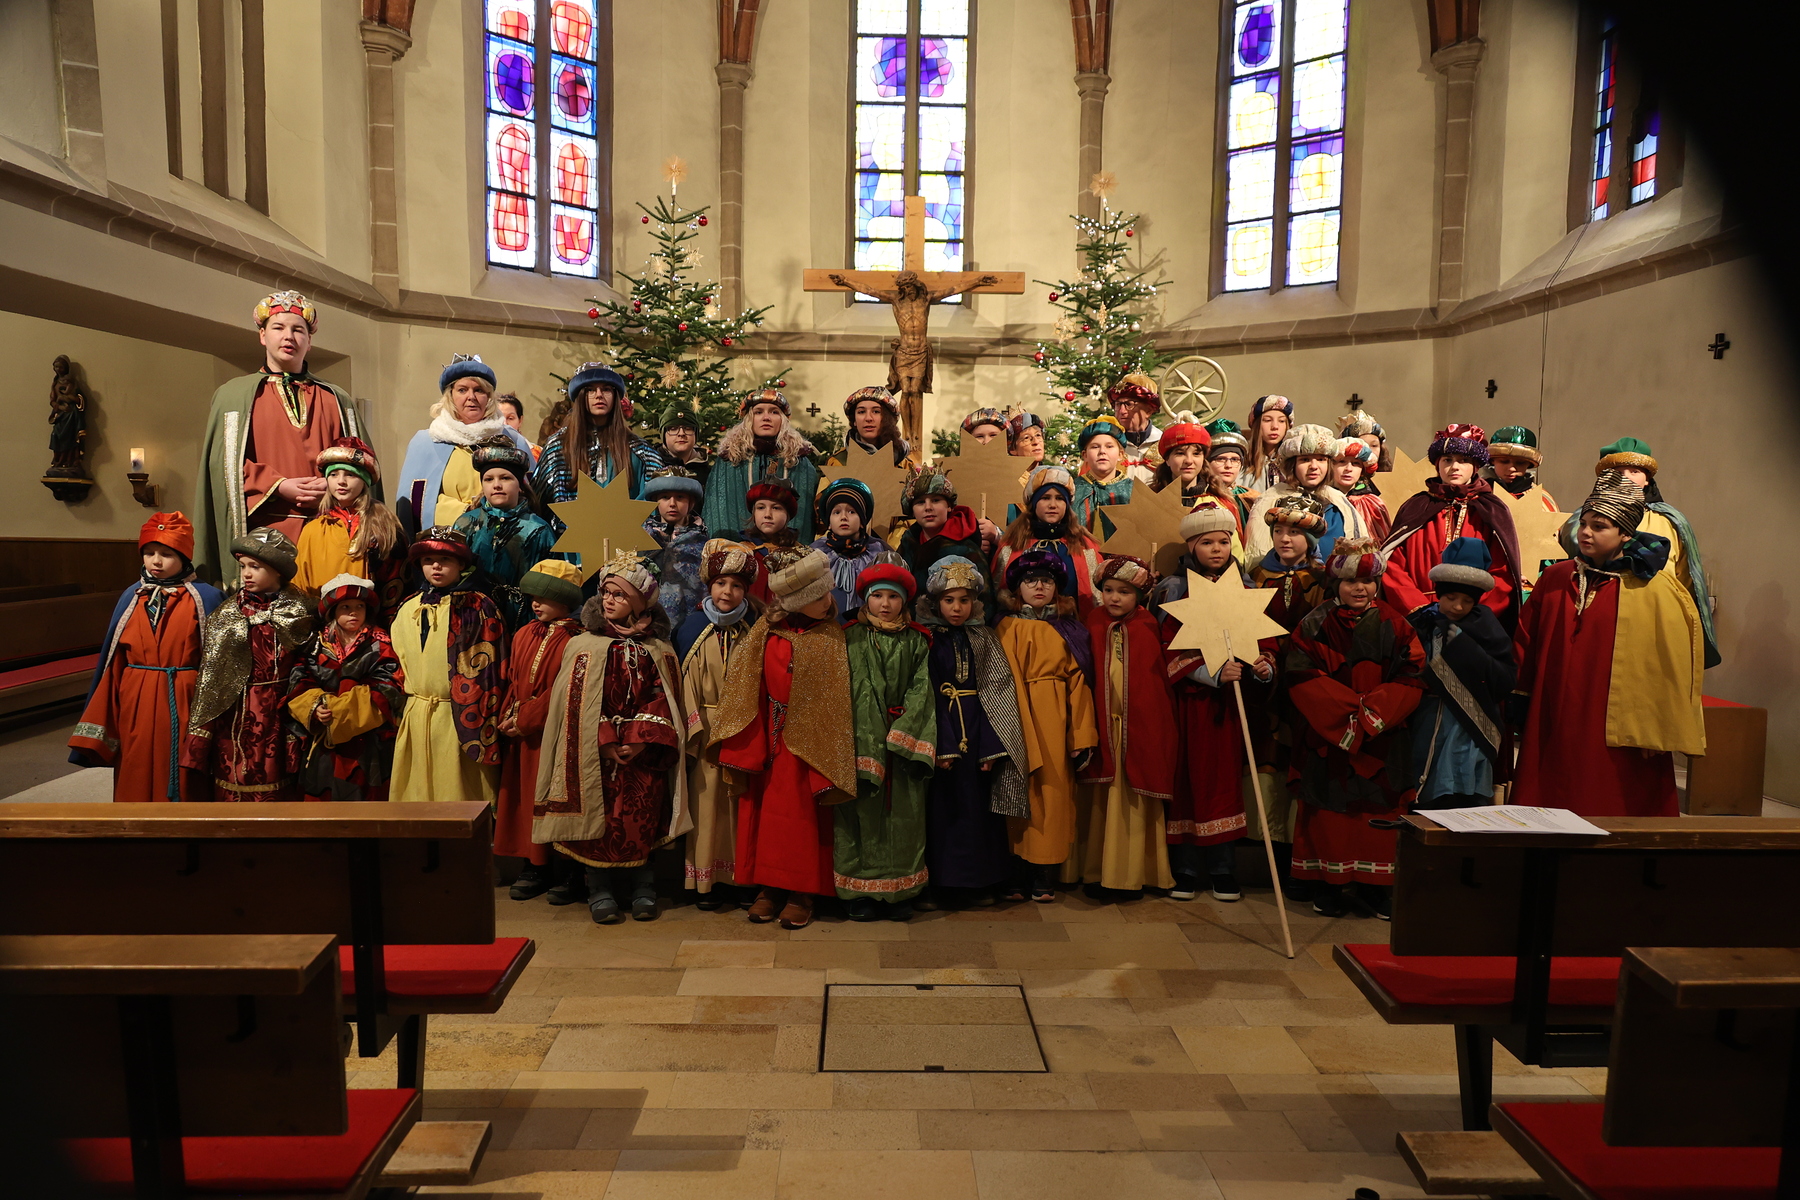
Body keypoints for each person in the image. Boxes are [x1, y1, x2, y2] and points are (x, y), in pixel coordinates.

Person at [1510, 471, 1705, 817]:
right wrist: (1517, 700)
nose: (1586, 532)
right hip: (1554, 710)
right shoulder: (1556, 578)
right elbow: (1527, 639)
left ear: (1625, 534)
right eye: (1584, 524)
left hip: (1619, 722)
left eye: (1599, 527)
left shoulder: (1653, 589)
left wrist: (1657, 727)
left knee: (1611, 800)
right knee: (1550, 792)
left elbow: (1670, 664)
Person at [533, 553, 691, 924]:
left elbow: (663, 696)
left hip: (643, 753)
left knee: (641, 819)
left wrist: (639, 739)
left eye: (619, 594)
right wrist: (603, 738)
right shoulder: (584, 644)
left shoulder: (659, 648)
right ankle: (598, 888)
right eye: (605, 592)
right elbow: (576, 702)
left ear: (638, 602)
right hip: (595, 752)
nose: (608, 600)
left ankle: (644, 887)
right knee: (596, 820)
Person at [713, 548, 856, 931]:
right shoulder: (766, 630)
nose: (828, 601)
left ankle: (801, 892)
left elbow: (835, 697)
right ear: (796, 601)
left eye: (827, 593)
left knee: (800, 818)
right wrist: (752, 735)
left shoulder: (831, 636)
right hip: (768, 739)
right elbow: (745, 682)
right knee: (764, 815)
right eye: (818, 596)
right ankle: (769, 887)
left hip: (810, 744)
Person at [1284, 538, 1426, 919]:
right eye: (1350, 581)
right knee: (1329, 813)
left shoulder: (1397, 625)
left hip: (1382, 739)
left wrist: (1372, 715)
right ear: (1336, 583)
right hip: (1327, 739)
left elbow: (1412, 674)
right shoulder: (1313, 625)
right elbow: (1301, 676)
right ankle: (1329, 885)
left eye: (1367, 581)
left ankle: (1375, 888)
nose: (1359, 588)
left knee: (1377, 810)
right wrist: (1349, 715)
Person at [193, 291, 371, 583]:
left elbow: (361, 464)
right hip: (263, 534)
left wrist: (332, 482)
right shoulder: (232, 396)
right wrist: (278, 485)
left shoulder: (336, 398)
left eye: (298, 330)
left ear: (309, 341)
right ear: (263, 336)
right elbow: (223, 468)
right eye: (278, 327)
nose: (289, 336)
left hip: (329, 530)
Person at [1152, 504, 1274, 902]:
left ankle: (1223, 868)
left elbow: (1265, 641)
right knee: (1189, 779)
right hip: (1193, 705)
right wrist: (1211, 672)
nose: (1217, 549)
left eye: (1223, 541)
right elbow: (1168, 649)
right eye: (1207, 542)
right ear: (1192, 546)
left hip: (1231, 710)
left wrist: (1262, 666)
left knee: (1224, 782)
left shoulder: (1247, 590)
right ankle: (1186, 869)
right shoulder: (1175, 591)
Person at [69, 513, 224, 801]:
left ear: (184, 556)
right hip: (136, 697)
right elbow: (114, 662)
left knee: (182, 765)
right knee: (135, 762)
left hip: (186, 696)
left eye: (166, 554)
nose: (156, 561)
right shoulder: (132, 596)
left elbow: (220, 664)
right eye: (149, 552)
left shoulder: (207, 598)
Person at [916, 556, 1030, 907]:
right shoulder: (926, 639)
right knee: (943, 812)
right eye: (949, 600)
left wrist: (991, 746)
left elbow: (998, 691)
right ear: (935, 602)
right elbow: (926, 692)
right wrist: (943, 744)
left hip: (978, 734)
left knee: (979, 812)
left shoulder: (985, 638)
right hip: (942, 731)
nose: (957, 608)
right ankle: (942, 884)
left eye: (964, 600)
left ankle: (980, 882)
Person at [836, 561, 938, 920]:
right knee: (859, 815)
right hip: (860, 739)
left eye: (892, 597)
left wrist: (902, 731)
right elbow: (850, 689)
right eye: (877, 596)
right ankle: (858, 893)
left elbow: (922, 690)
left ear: (904, 601)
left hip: (902, 744)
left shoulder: (918, 640)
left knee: (905, 817)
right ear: (865, 599)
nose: (884, 604)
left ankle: (901, 891)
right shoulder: (849, 637)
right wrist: (869, 733)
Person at [995, 550, 1099, 902]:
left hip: (1054, 720)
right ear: (1017, 589)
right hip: (1015, 716)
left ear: (1057, 588)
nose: (1039, 587)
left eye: (1047, 581)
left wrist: (1080, 736)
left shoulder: (1069, 630)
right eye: (1030, 581)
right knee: (1016, 792)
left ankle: (1043, 872)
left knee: (1052, 795)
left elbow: (1079, 686)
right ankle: (1014, 869)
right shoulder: (1004, 626)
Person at [181, 528, 313, 801]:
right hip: (234, 709)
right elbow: (212, 675)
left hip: (279, 709)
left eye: (255, 567)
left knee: (277, 774)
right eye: (243, 566)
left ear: (278, 571)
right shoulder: (227, 614)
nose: (246, 574)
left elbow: (309, 662)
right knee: (233, 769)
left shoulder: (300, 611)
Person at [1079, 555, 1177, 894]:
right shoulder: (1092, 622)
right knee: (1102, 803)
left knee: (1134, 801)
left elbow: (1155, 684)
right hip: (1103, 728)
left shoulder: (1148, 625)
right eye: (1108, 590)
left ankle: (1136, 874)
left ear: (1139, 595)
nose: (1114, 598)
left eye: (1124, 591)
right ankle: (1097, 871)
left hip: (1139, 730)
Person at [389, 526, 506, 805]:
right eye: (428, 561)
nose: (436, 567)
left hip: (458, 715)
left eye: (445, 560)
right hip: (418, 713)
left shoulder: (477, 607)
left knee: (457, 791)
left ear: (461, 564)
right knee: (416, 794)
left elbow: (490, 671)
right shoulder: (408, 607)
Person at [1579, 437, 1719, 668]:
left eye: (1634, 471)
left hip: (1656, 618)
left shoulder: (1670, 522)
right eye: (1618, 472)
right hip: (1600, 619)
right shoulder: (1582, 521)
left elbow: (1685, 578)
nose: (1626, 477)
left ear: (1647, 479)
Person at [676, 540, 763, 907]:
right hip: (705, 729)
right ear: (709, 585)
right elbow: (683, 683)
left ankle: (742, 879)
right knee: (707, 803)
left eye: (737, 585)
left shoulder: (755, 628)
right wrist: (695, 729)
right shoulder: (691, 628)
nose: (727, 592)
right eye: (721, 584)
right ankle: (707, 880)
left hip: (743, 728)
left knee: (741, 804)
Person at [496, 559, 585, 900]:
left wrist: (526, 719)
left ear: (565, 601)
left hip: (555, 733)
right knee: (525, 799)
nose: (536, 603)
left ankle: (570, 870)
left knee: (555, 798)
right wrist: (509, 715)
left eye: (545, 598)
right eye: (533, 597)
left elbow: (563, 688)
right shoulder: (524, 633)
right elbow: (514, 679)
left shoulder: (576, 639)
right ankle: (535, 864)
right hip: (522, 735)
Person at [1406, 539, 1515, 810]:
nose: (1457, 607)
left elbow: (1504, 677)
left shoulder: (1487, 627)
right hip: (1426, 714)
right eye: (1451, 598)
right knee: (1423, 772)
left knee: (1460, 782)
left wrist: (1462, 645)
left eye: (1467, 601)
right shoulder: (1421, 621)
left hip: (1469, 721)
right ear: (1438, 593)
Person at [1380, 424, 1523, 629]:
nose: (1455, 467)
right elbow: (1393, 565)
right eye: (1447, 460)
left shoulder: (1491, 510)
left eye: (1463, 460)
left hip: (1473, 622)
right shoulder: (1416, 507)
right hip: (1417, 620)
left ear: (1475, 466)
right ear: (1437, 465)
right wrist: (1419, 610)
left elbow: (1503, 572)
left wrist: (1473, 614)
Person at [285, 575, 405, 802]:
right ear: (332, 612)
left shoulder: (381, 644)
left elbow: (388, 685)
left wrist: (339, 712)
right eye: (346, 607)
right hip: (324, 743)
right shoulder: (316, 645)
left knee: (365, 799)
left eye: (360, 606)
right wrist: (315, 707)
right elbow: (300, 678)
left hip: (368, 741)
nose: (354, 613)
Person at [396, 355, 536, 535]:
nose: (471, 397)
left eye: (479, 390)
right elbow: (416, 505)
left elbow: (532, 497)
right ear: (450, 395)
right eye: (462, 390)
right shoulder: (426, 442)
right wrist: (469, 513)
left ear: (489, 396)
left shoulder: (513, 440)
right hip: (447, 542)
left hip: (506, 538)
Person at [293, 438, 407, 624]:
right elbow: (300, 586)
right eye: (334, 474)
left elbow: (396, 583)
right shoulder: (313, 530)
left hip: (371, 625)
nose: (341, 481)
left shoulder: (385, 526)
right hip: (325, 625)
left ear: (364, 480)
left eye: (350, 475)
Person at [453, 440, 557, 631]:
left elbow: (549, 582)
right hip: (473, 618)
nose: (497, 485)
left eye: (505, 478)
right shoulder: (466, 523)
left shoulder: (537, 529)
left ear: (520, 485)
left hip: (521, 620)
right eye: (489, 479)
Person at [534, 362, 664, 507]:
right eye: (590, 390)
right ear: (580, 396)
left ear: (615, 396)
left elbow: (655, 503)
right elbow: (538, 503)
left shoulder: (641, 450)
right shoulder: (558, 446)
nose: (599, 395)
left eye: (606, 389)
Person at [702, 387, 822, 542]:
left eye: (774, 412)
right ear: (748, 419)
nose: (766, 418)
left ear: (783, 420)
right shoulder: (729, 460)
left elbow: (805, 516)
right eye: (758, 412)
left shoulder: (799, 461)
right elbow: (718, 511)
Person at [992, 465, 1104, 616]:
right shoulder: (1013, 544)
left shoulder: (1085, 546)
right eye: (1045, 498)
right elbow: (998, 593)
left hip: (1072, 625)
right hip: (1022, 625)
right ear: (1033, 503)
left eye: (1059, 498)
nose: (1053, 505)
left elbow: (1097, 599)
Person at [1245, 423, 1366, 562]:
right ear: (1292, 465)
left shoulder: (1338, 501)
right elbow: (1257, 553)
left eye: (1321, 459)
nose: (1314, 466)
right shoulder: (1271, 499)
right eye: (1305, 460)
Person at [897, 472, 994, 603]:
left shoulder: (965, 549)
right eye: (920, 502)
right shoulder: (908, 543)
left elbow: (984, 601)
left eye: (936, 500)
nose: (928, 507)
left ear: (949, 506)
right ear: (912, 510)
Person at [642, 467, 709, 630]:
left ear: (691, 502)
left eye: (680, 497)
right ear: (655, 501)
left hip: (690, 623)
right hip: (647, 623)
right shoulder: (642, 539)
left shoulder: (703, 543)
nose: (672, 504)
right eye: (665, 497)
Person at [812, 478, 888, 616]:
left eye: (852, 512)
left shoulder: (879, 552)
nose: (844, 517)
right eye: (836, 512)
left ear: (862, 521)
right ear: (829, 522)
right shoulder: (815, 553)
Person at [740, 475, 802, 602]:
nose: (767, 515)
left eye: (776, 508)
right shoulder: (741, 552)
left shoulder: (799, 554)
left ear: (787, 514)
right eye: (761, 508)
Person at [828, 386, 919, 468]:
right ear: (854, 420)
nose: (868, 418)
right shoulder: (838, 463)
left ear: (887, 419)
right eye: (861, 412)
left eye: (876, 411)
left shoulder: (904, 464)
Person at [1073, 413, 1134, 529]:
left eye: (1109, 446)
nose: (1102, 451)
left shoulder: (1133, 491)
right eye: (1095, 447)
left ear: (1120, 454)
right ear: (1085, 455)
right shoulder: (1073, 489)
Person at [1108, 373, 1165, 484]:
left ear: (1149, 410)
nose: (1122, 411)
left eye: (1129, 404)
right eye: (1118, 404)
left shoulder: (1163, 443)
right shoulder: (1108, 444)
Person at [1203, 418, 1259, 529]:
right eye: (1220, 459)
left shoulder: (1252, 498)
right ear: (1207, 463)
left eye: (1234, 459)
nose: (1228, 465)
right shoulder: (1201, 496)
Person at [1332, 437, 1390, 542]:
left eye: (1355, 463)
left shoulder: (1372, 503)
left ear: (1363, 470)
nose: (1348, 469)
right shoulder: (1321, 499)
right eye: (1342, 462)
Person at [1484, 425, 1556, 509]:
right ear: (1492, 461)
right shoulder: (1477, 494)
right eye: (1504, 461)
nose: (1511, 469)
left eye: (1520, 463)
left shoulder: (1541, 499)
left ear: (1529, 464)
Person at [1150, 422, 1213, 508]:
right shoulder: (1150, 500)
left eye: (1196, 453)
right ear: (1167, 459)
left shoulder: (1219, 502)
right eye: (1180, 453)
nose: (1189, 461)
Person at [657, 399, 712, 488]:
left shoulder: (709, 474)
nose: (681, 433)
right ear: (664, 435)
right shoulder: (651, 465)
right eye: (673, 429)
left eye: (688, 428)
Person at [1245, 395, 1294, 494]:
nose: (1275, 426)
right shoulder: (1243, 462)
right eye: (1267, 420)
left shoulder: (1293, 464)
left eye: (1281, 421)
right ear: (1257, 425)